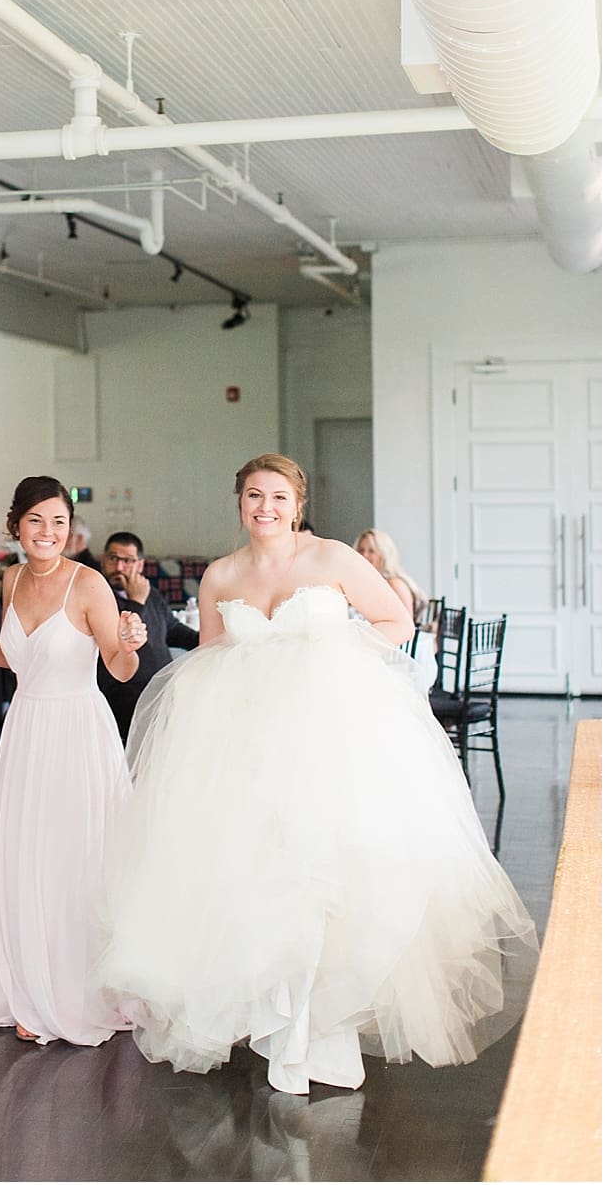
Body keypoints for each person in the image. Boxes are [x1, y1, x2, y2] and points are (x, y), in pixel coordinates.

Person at [100, 454, 537, 1094]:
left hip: (331, 740)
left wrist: (335, 656)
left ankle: (318, 1029)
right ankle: (277, 1019)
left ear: (297, 504)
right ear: (240, 501)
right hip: (248, 747)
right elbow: (212, 657)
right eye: (253, 495)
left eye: (278, 496)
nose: (265, 507)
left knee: (330, 878)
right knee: (260, 878)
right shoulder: (221, 575)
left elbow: (395, 619)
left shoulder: (333, 558)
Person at [0, 475, 147, 1046]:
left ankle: (71, 989)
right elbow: (19, 658)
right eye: (36, 521)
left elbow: (119, 669)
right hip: (26, 731)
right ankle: (27, 983)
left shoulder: (89, 585)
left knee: (71, 857)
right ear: (16, 526)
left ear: (71, 528)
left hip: (77, 731)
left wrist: (128, 644)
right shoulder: (10, 578)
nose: (48, 532)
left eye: (58, 522)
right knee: (24, 856)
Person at [95, 531, 196, 740]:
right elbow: (120, 638)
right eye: (113, 559)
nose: (120, 567)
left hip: (161, 693)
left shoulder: (151, 594)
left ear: (140, 565)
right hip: (123, 697)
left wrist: (209, 639)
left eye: (128, 561)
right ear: (104, 560)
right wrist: (136, 602)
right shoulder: (98, 595)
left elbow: (173, 630)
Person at [355, 527, 426, 623]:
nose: (364, 555)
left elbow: (407, 628)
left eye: (371, 551)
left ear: (384, 554)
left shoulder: (395, 585)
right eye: (361, 550)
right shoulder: (361, 583)